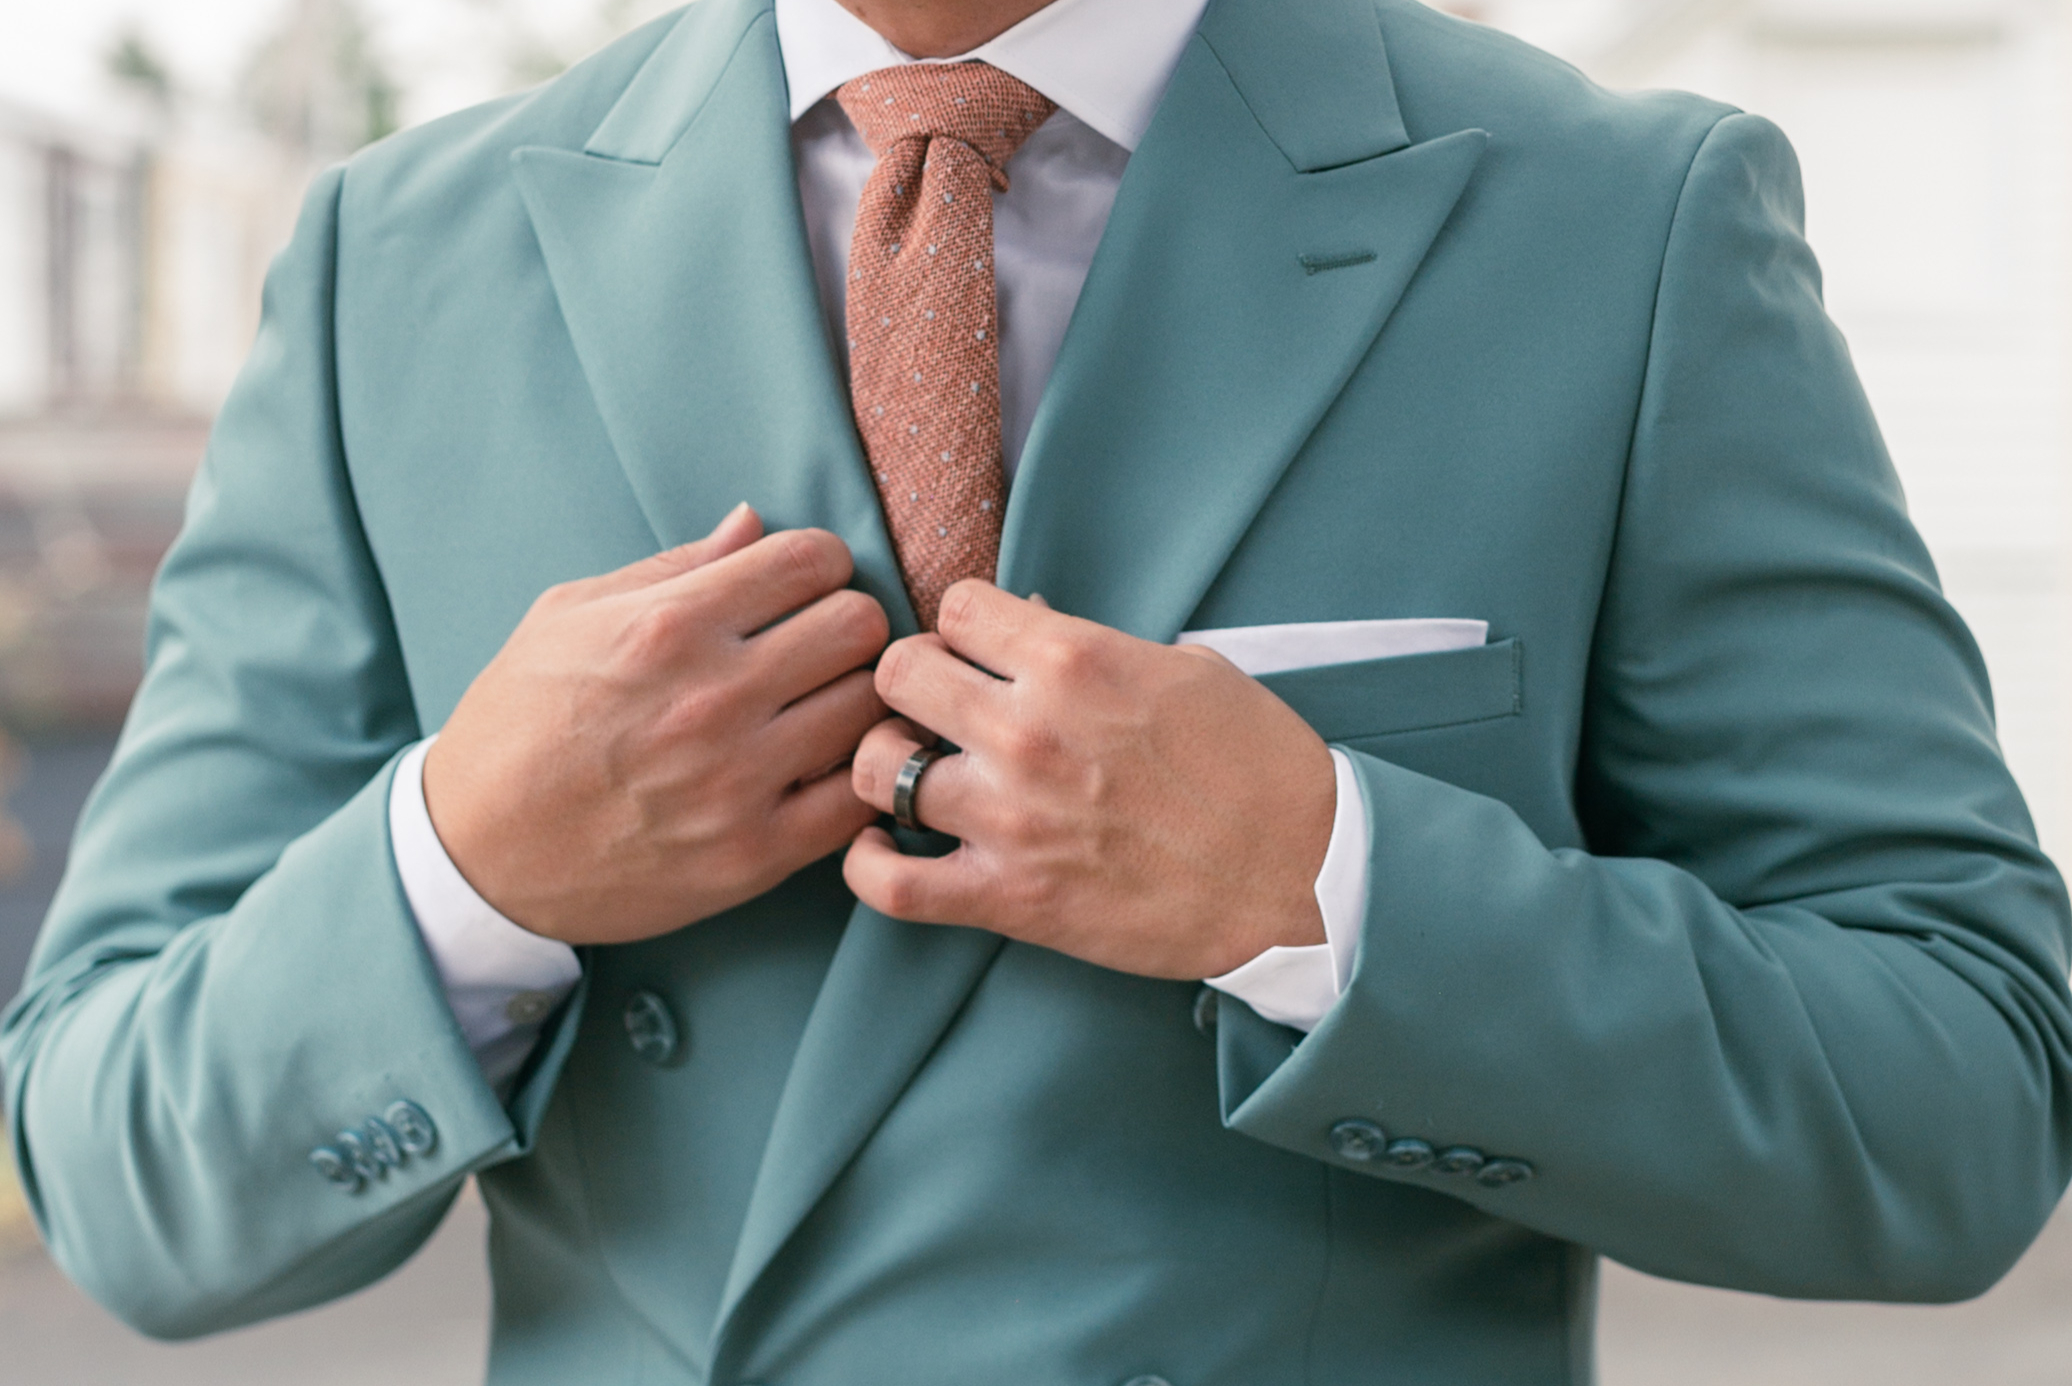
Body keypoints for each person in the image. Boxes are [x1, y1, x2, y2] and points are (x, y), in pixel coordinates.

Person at [7, 0, 2071, 1379]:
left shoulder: (1620, 225)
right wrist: (465, 874)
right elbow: (120, 1179)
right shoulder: (394, 261)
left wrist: (1326, 888)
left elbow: (1960, 1100)